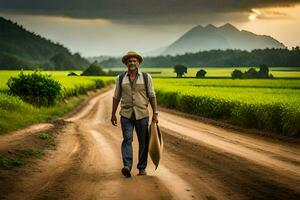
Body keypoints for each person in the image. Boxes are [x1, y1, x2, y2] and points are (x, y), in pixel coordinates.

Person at [111, 51, 158, 178]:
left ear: (138, 63)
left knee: (144, 141)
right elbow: (116, 97)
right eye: (129, 61)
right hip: (126, 114)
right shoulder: (120, 78)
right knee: (127, 139)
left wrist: (155, 113)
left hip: (142, 114)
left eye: (134, 61)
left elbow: (152, 95)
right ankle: (127, 166)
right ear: (126, 63)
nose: (132, 63)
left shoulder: (146, 77)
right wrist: (113, 114)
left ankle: (142, 168)